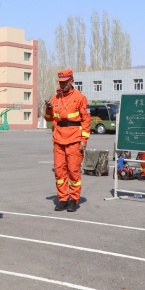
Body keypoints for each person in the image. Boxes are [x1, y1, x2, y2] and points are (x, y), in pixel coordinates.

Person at [44, 69, 91, 212]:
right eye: (60, 82)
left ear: (72, 81)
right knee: (59, 172)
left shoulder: (80, 98)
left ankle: (73, 200)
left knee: (73, 171)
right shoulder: (55, 98)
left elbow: (86, 120)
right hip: (58, 140)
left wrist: (84, 140)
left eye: (65, 82)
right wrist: (49, 109)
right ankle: (63, 199)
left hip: (74, 140)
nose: (62, 84)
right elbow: (49, 119)